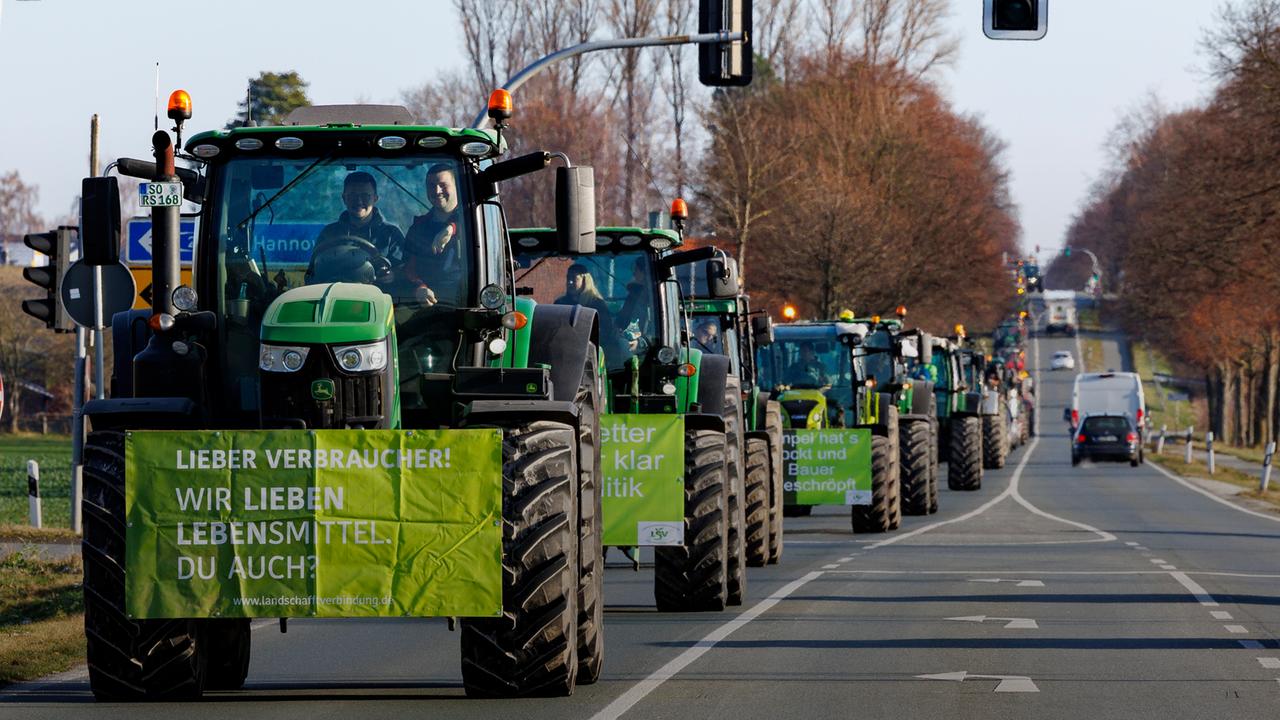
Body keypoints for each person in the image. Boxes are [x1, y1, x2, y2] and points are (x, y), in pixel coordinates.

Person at [307, 171, 404, 283]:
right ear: (344, 198)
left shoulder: (392, 234)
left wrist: (393, 275)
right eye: (352, 195)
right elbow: (312, 273)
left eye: (365, 196)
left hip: (380, 298)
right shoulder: (329, 233)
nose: (358, 201)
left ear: (375, 198)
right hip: (336, 297)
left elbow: (406, 271)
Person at [399, 163, 463, 306]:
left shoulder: (474, 222)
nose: (437, 190)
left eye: (443, 185)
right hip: (425, 306)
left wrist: (453, 228)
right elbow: (408, 267)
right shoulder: (418, 228)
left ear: (457, 187)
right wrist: (419, 288)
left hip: (465, 303)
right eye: (431, 185)